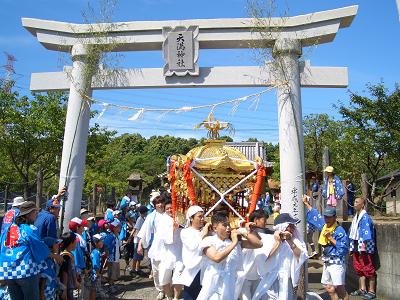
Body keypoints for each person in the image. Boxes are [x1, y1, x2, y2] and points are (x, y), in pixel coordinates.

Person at [0, 201, 63, 300]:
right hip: (25, 271)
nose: (37, 216)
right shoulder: (29, 229)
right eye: (35, 213)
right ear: (29, 214)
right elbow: (40, 250)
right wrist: (55, 256)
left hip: (8, 272)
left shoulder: (8, 229)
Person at [197, 212, 262, 300]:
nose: (228, 228)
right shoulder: (208, 240)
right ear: (215, 228)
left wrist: (245, 233)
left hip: (229, 284)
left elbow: (258, 244)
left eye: (229, 225)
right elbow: (216, 258)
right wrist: (234, 243)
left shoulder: (234, 241)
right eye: (224, 225)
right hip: (213, 284)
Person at [252, 213, 308, 300]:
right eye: (290, 226)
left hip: (286, 279)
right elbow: (263, 259)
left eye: (293, 226)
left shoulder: (295, 240)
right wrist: (278, 242)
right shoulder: (269, 238)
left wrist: (289, 241)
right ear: (283, 226)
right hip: (270, 280)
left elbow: (301, 256)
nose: (293, 228)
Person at [304, 196, 350, 300]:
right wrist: (306, 203)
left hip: (337, 262)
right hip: (327, 261)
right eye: (326, 217)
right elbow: (315, 215)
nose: (327, 219)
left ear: (334, 217)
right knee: (329, 287)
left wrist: (330, 238)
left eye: (329, 217)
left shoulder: (339, 230)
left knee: (340, 289)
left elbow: (344, 249)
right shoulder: (324, 225)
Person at [234, 209, 278, 300]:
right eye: (264, 220)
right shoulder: (243, 231)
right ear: (255, 220)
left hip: (258, 277)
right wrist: (246, 227)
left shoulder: (266, 234)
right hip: (244, 277)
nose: (265, 222)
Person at [137, 195, 165, 300]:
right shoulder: (151, 217)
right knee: (156, 270)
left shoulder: (170, 214)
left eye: (162, 202)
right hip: (155, 247)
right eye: (158, 203)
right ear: (154, 205)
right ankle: (160, 290)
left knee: (166, 270)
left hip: (167, 247)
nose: (160, 205)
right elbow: (144, 232)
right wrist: (140, 245)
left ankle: (167, 289)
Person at [349, 197, 377, 300]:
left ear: (362, 205)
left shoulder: (365, 217)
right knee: (359, 268)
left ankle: (372, 291)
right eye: (354, 201)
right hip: (356, 245)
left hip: (364, 246)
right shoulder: (356, 216)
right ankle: (362, 289)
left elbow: (366, 232)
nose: (354, 203)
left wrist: (364, 245)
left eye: (357, 202)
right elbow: (352, 232)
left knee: (368, 268)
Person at [179, 206, 210, 300]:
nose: (202, 219)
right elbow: (193, 246)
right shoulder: (185, 232)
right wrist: (203, 234)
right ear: (191, 218)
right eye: (199, 216)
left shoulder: (205, 231)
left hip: (205, 268)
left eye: (203, 216)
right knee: (191, 296)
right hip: (193, 269)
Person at [156, 200, 183, 300]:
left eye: (171, 208)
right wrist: (172, 229)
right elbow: (161, 236)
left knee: (178, 276)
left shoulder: (181, 217)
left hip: (180, 250)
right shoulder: (163, 220)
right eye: (167, 208)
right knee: (164, 275)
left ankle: (176, 297)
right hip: (167, 251)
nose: (169, 210)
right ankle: (169, 295)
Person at [127, 205, 148, 277]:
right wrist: (130, 237)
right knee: (136, 256)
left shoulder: (142, 219)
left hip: (141, 240)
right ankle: (133, 269)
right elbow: (135, 229)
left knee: (139, 256)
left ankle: (137, 268)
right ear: (144, 212)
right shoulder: (140, 219)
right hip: (137, 240)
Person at [103, 219, 122, 293]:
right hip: (112, 258)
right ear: (114, 228)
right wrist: (107, 252)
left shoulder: (117, 235)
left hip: (116, 257)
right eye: (118, 226)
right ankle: (111, 286)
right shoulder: (111, 236)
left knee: (115, 273)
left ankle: (113, 284)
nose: (120, 228)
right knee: (112, 273)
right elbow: (105, 245)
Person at [59, 232, 79, 300]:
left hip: (71, 286)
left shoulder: (69, 254)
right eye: (75, 242)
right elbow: (65, 273)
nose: (76, 243)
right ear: (71, 243)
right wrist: (64, 290)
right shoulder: (65, 256)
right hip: (68, 288)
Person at [88, 233, 106, 300]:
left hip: (95, 274)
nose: (102, 242)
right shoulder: (95, 252)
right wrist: (98, 273)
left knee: (95, 289)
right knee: (94, 290)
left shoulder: (96, 251)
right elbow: (95, 265)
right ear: (96, 243)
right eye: (100, 241)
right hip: (95, 275)